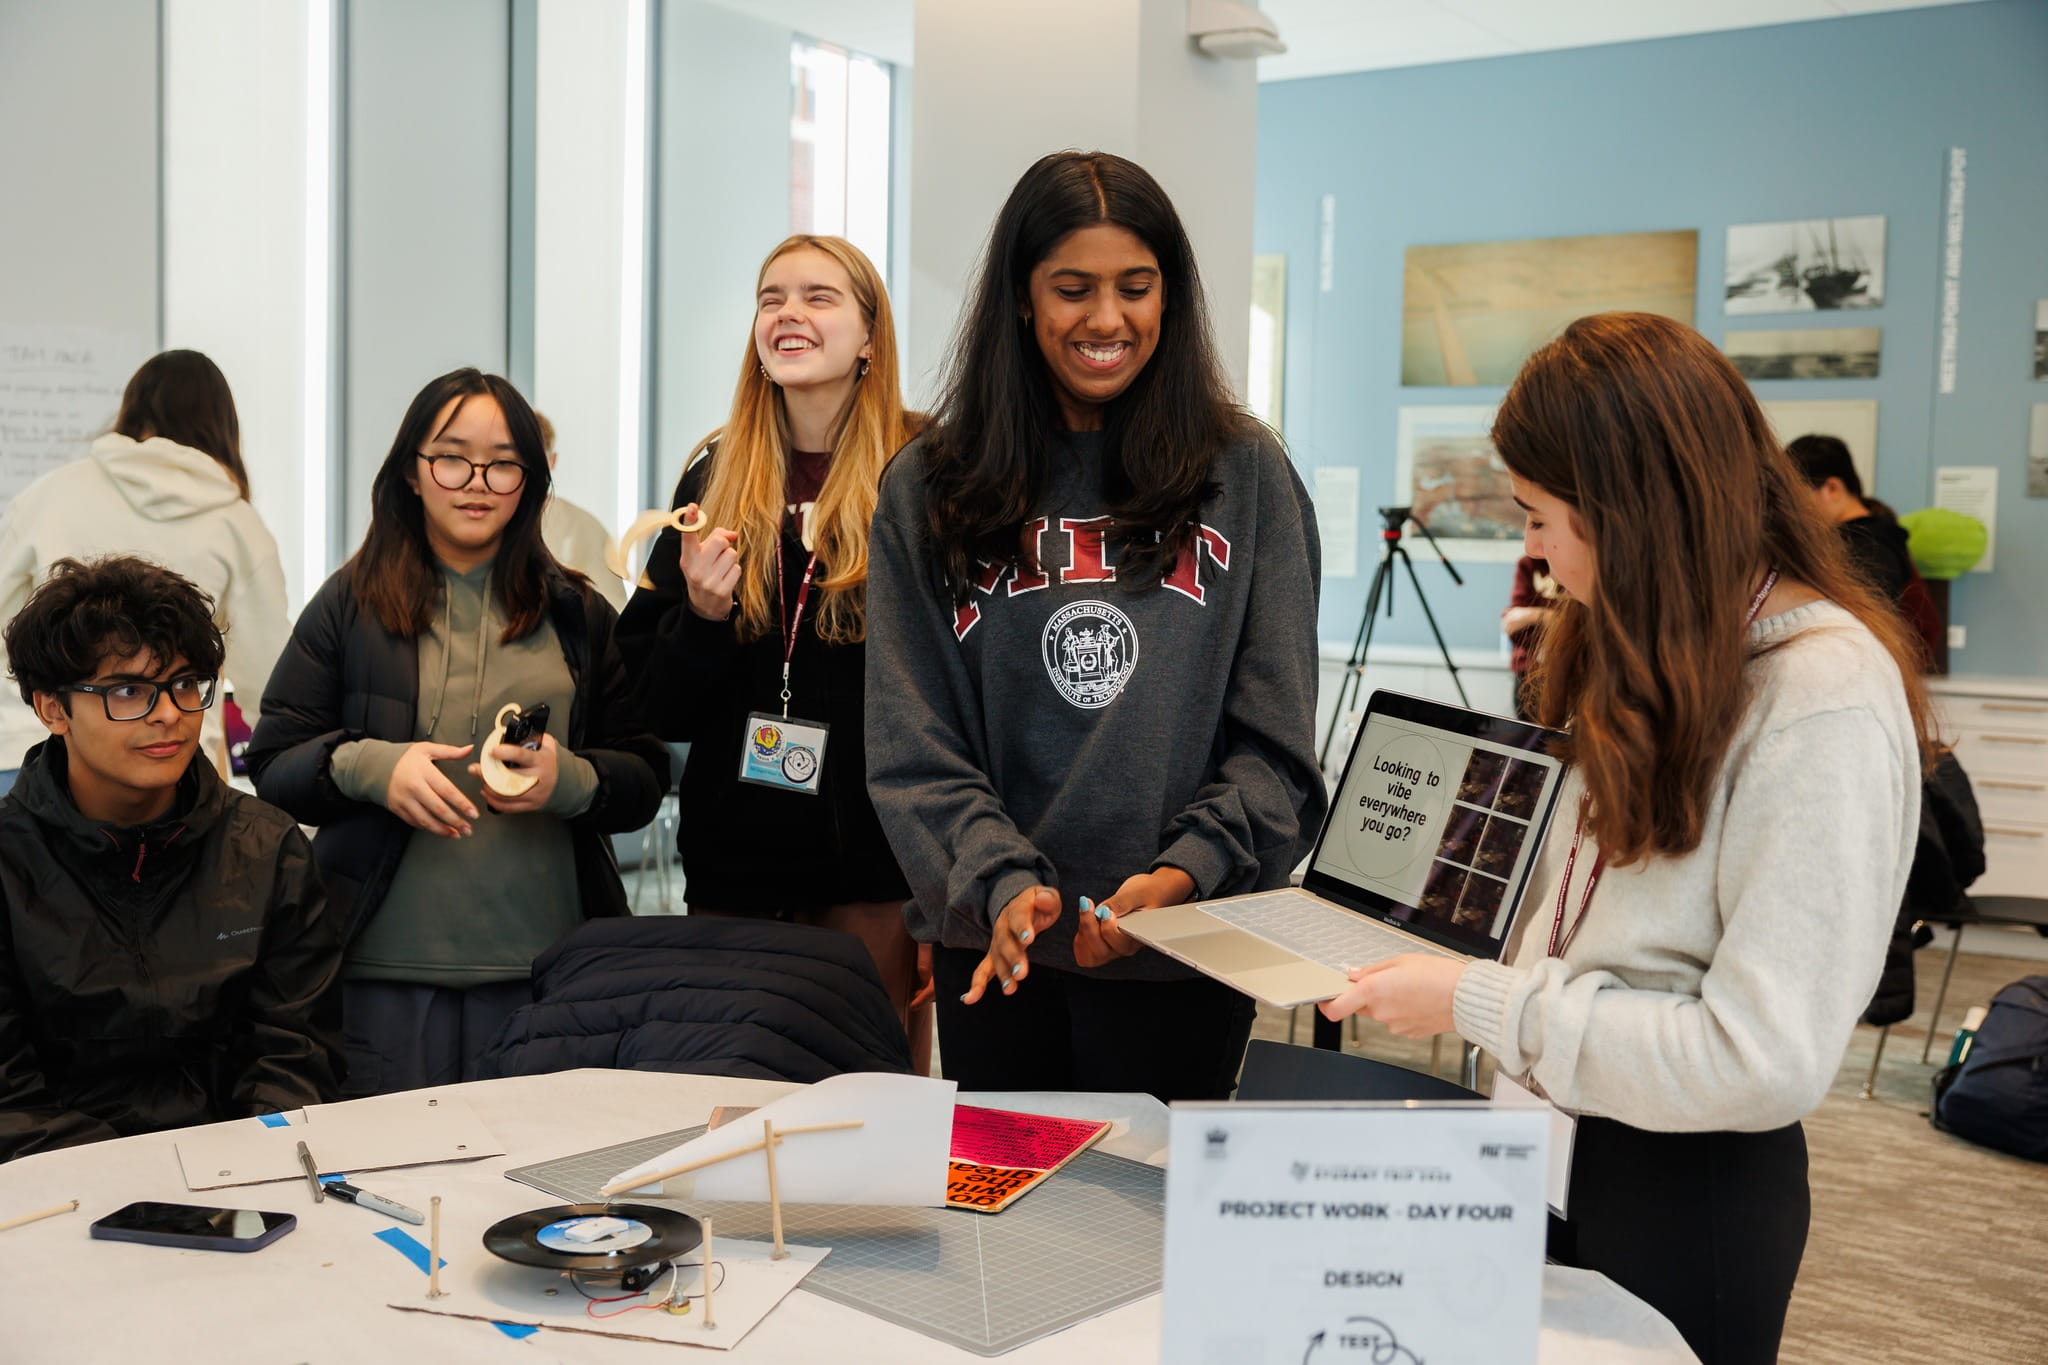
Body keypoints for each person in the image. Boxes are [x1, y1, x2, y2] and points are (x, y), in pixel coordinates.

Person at [1318, 313, 1934, 1364]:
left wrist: (1474, 1000)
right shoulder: (1643, 643)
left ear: (1630, 510)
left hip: (1679, 1194)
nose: (1532, 551)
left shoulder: (1821, 694)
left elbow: (1759, 1059)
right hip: (1542, 1141)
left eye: (1539, 518)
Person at [863, 152, 1326, 1104]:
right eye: (1073, 289)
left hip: (1184, 950)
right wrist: (998, 880)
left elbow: (1275, 747)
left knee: (1156, 1236)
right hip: (998, 951)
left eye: (1137, 287)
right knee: (1008, 1243)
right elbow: (914, 744)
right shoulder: (926, 486)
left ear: (1172, 296)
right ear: (1022, 300)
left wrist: (1188, 872)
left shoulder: (1246, 477)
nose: (1107, 319)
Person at [247, 369, 668, 1095]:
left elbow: (644, 775)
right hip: (381, 975)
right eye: (451, 456)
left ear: (530, 480)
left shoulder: (576, 610)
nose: (476, 480)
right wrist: (372, 766)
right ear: (412, 470)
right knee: (394, 1192)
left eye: (503, 462)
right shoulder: (350, 603)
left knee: (532, 1194)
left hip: (546, 974)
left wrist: (569, 779)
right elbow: (275, 759)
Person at [616, 234, 930, 1070]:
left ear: (870, 333)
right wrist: (704, 614)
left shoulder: (925, 475)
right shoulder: (714, 478)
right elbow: (650, 700)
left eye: (818, 296)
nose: (788, 312)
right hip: (736, 877)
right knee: (729, 1111)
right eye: (771, 298)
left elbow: (956, 691)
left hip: (875, 879)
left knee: (862, 1118)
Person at [0, 556, 342, 1160]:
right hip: (55, 1191)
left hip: (239, 1180)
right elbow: (9, 1099)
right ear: (53, 708)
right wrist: (138, 1183)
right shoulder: (10, 863)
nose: (169, 714)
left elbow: (294, 1054)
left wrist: (246, 1165)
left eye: (186, 684)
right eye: (128, 690)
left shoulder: (267, 849)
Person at [0, 349, 290, 794]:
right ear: (221, 425)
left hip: (26, 753)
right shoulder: (235, 523)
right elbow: (271, 685)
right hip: (165, 767)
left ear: (132, 409)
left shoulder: (53, 494)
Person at [1786, 432, 1942, 667]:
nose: (1792, 508)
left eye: (1797, 495)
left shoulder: (1869, 545)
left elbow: (1859, 624)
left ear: (1833, 488)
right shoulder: (1874, 533)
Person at [534, 411, 627, 613]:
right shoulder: (483, 521)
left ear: (552, 461)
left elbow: (613, 612)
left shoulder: (585, 528)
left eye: (535, 457)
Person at [1501, 554, 1563, 720]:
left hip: (1568, 672)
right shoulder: (1528, 564)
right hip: (1527, 672)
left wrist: (1536, 615)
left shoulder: (1585, 563)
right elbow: (1515, 628)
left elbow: (1585, 624)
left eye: (1538, 525)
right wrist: (1554, 620)